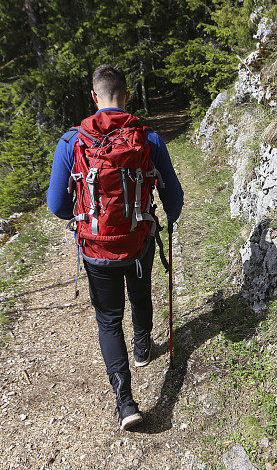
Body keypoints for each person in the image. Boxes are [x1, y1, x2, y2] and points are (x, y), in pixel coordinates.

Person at [46, 64, 183, 431]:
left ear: (95, 97)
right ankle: (142, 349)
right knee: (140, 293)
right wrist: (169, 217)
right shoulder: (147, 137)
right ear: (126, 95)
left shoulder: (71, 140)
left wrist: (81, 217)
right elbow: (174, 193)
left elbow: (56, 204)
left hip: (95, 249)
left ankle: (125, 403)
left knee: (108, 319)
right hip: (138, 241)